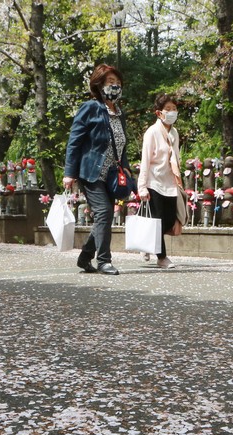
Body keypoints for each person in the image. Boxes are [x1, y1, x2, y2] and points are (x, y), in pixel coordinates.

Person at [63, 64, 130, 276]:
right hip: (91, 172)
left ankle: (84, 257)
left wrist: (125, 167)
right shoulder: (90, 108)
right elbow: (74, 142)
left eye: (117, 83)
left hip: (111, 174)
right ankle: (104, 261)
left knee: (105, 216)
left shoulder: (119, 113)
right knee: (104, 212)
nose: (115, 87)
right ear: (99, 85)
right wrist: (69, 172)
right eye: (111, 83)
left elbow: (121, 143)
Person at [136, 94, 185, 269]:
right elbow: (145, 160)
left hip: (170, 183)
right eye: (168, 110)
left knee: (169, 220)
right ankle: (162, 257)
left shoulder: (174, 132)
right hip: (154, 182)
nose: (172, 113)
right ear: (159, 113)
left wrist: (179, 178)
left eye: (174, 109)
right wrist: (142, 187)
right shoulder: (152, 132)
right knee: (156, 221)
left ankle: (148, 244)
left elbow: (176, 157)